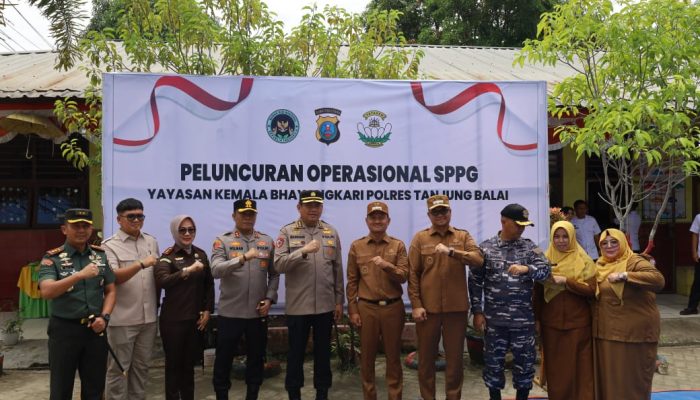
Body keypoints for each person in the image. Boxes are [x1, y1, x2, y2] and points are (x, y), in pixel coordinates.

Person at [469, 203, 550, 400]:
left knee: (525, 366)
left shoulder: (529, 247)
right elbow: (475, 281)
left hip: (522, 321)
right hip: (495, 321)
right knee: (493, 365)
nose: (522, 229)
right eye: (518, 224)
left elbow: (546, 270)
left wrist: (527, 269)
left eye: (524, 225)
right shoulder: (486, 248)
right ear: (504, 222)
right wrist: (477, 311)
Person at [408, 195, 483, 400]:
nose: (440, 215)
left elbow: (478, 259)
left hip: (456, 310)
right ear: (429, 215)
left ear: (450, 212)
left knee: (455, 361)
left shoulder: (462, 236)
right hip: (428, 310)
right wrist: (416, 304)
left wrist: (452, 252)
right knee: (425, 360)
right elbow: (413, 274)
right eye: (436, 212)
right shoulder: (420, 238)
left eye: (444, 211)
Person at [38, 208, 116, 400]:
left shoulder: (100, 256)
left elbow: (111, 290)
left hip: (95, 330)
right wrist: (79, 275)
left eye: (85, 226)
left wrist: (105, 317)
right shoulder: (52, 258)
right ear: (64, 229)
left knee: (95, 388)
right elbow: (47, 291)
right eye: (76, 226)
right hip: (65, 331)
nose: (81, 230)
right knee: (61, 388)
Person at [274, 190, 344, 400]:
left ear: (321, 207)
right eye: (308, 205)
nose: (313, 209)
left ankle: (322, 393)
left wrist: (339, 301)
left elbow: (337, 270)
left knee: (323, 354)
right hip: (298, 307)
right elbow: (278, 265)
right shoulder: (287, 231)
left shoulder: (331, 232)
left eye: (317, 205)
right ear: (299, 207)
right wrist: (302, 251)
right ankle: (294, 393)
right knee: (296, 354)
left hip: (325, 305)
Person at [211, 199, 279, 400]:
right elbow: (215, 270)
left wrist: (269, 299)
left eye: (251, 214)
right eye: (243, 214)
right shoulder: (222, 241)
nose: (248, 218)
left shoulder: (266, 241)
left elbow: (274, 274)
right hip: (230, 313)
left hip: (257, 314)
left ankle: (252, 395)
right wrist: (241, 259)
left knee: (256, 360)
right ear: (234, 216)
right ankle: (222, 395)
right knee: (223, 360)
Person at [346, 201, 408, 400]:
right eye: (373, 217)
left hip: (393, 308)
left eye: (381, 217)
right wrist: (353, 310)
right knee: (367, 358)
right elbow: (352, 281)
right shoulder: (357, 246)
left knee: (393, 357)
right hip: (367, 308)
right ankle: (369, 396)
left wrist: (387, 266)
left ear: (388, 220)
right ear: (367, 221)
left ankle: (395, 396)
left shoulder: (398, 245)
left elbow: (403, 276)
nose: (377, 221)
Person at [593, 229, 665, 399]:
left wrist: (625, 275)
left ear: (623, 243)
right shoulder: (600, 265)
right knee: (612, 382)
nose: (609, 246)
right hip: (607, 333)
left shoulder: (633, 260)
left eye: (614, 242)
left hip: (634, 335)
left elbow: (658, 280)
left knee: (633, 382)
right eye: (604, 243)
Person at [101, 198, 160, 400]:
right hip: (123, 319)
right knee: (118, 369)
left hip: (148, 318)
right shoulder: (109, 246)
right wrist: (140, 264)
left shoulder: (151, 241)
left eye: (140, 216)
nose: (136, 220)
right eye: (131, 216)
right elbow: (112, 277)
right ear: (119, 219)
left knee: (142, 368)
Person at [154, 215, 215, 400]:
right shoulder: (167, 256)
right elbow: (163, 281)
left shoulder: (200, 254)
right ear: (175, 232)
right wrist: (186, 271)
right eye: (182, 230)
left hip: (194, 320)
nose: (187, 233)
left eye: (191, 230)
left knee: (189, 367)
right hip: (173, 321)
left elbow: (209, 285)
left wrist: (207, 310)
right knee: (174, 366)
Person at [533, 220, 596, 400]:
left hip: (579, 323)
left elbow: (592, 290)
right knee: (556, 368)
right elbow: (537, 294)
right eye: (557, 237)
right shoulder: (544, 261)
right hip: (551, 324)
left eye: (565, 236)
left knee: (581, 367)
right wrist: (537, 320)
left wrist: (567, 281)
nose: (561, 241)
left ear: (572, 237)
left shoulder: (584, 260)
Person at [682, 212, 700, 315]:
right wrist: (694, 252)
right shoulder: (699, 217)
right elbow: (695, 235)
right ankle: (692, 307)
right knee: (697, 282)